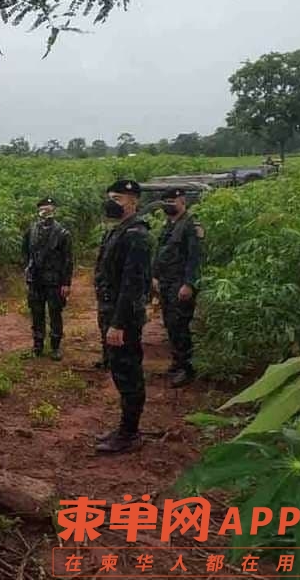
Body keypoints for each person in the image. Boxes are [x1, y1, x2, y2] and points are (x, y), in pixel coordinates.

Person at [93, 179, 151, 455]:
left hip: (123, 317)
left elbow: (132, 284)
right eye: (110, 198)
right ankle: (126, 428)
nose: (111, 203)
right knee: (119, 371)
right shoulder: (118, 231)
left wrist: (118, 324)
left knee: (128, 374)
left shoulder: (136, 235)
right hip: (112, 311)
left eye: (117, 198)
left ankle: (130, 434)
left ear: (133, 201)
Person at [152, 189, 203, 388]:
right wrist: (155, 276)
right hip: (166, 282)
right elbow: (160, 253)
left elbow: (194, 257)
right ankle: (177, 362)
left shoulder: (190, 226)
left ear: (182, 202)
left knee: (180, 325)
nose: (168, 204)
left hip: (180, 283)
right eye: (165, 201)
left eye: (172, 201)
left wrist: (189, 283)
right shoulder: (169, 225)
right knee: (170, 324)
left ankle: (186, 369)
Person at [22, 198, 73, 360]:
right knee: (36, 312)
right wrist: (28, 267)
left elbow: (68, 260)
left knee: (55, 312)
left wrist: (66, 283)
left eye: (49, 209)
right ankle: (37, 346)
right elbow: (25, 251)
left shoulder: (62, 233)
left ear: (54, 211)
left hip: (54, 280)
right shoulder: (31, 230)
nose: (45, 212)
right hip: (35, 279)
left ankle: (55, 347)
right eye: (43, 209)